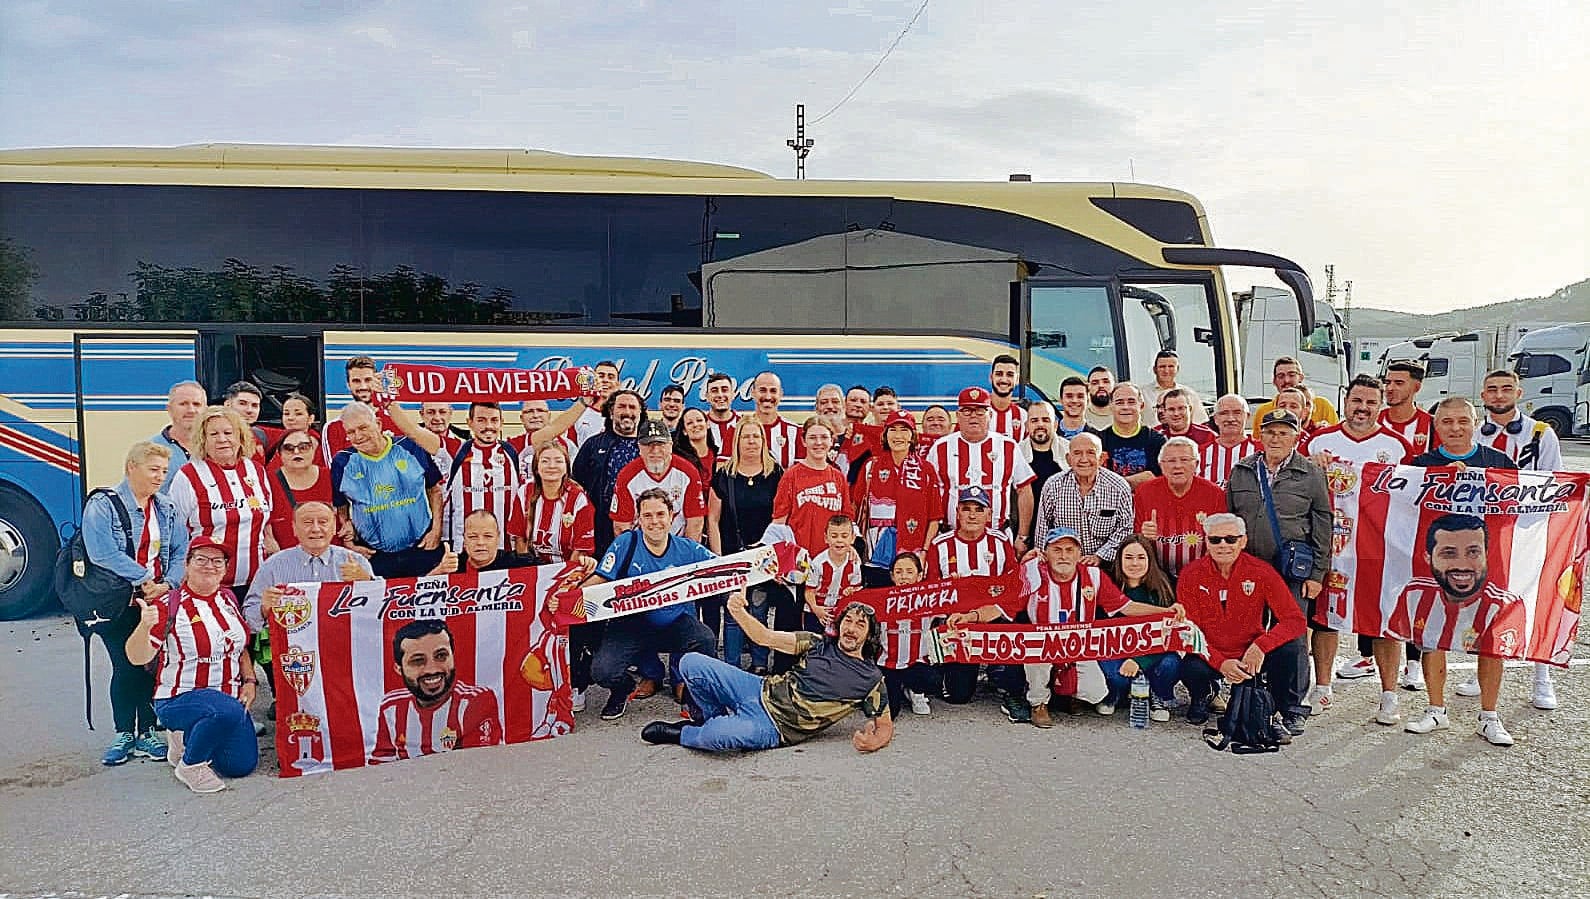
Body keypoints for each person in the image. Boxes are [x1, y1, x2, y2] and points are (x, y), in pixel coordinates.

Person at [638, 594, 892, 753]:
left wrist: (873, 742)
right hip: (757, 688)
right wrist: (738, 612)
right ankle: (707, 719)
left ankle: (684, 734)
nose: (851, 628)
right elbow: (765, 637)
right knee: (690, 662)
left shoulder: (871, 679)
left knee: (720, 737)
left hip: (775, 727)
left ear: (869, 635)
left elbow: (885, 726)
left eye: (860, 624)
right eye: (848, 621)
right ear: (839, 624)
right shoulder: (816, 642)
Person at [1301, 374, 1418, 713]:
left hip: (1376, 550)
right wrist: (1312, 465)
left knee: (1383, 621)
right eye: (1357, 401)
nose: (1362, 408)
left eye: (1370, 402)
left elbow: (1411, 498)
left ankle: (1389, 695)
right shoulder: (1319, 442)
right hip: (1330, 548)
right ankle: (1323, 687)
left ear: (1380, 405)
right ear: (1345, 402)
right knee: (1325, 619)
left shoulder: (1398, 447)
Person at [125, 536, 258, 793]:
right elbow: (136, 657)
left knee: (239, 765)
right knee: (224, 712)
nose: (210, 565)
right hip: (179, 698)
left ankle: (186, 738)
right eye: (201, 559)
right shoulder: (169, 605)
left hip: (227, 699)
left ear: (225, 568)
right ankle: (191, 764)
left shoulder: (228, 599)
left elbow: (239, 648)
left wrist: (250, 681)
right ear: (186, 565)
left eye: (217, 560)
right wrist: (145, 625)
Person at [83, 441, 189, 766]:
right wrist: (144, 577)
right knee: (124, 665)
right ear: (132, 467)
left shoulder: (167, 508)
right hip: (117, 600)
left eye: (163, 471)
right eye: (153, 470)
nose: (160, 477)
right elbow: (101, 552)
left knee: (149, 667)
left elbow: (180, 551)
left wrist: (167, 583)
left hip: (155, 599)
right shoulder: (103, 504)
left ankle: (146, 733)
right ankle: (123, 733)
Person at [1226, 409, 1331, 729]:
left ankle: (1292, 706)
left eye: (1284, 432)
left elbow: (1323, 522)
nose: (1276, 438)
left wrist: (1317, 574)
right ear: (1260, 435)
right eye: (1270, 431)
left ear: (1296, 437)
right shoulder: (1242, 470)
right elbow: (1230, 515)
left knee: (1293, 636)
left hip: (1290, 569)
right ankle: (1254, 697)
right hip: (1249, 566)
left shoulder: (1310, 474)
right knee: (1249, 631)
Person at [1467, 369, 1562, 710]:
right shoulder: (1475, 432)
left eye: (1506, 389)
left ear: (1519, 393)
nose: (1499, 395)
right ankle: (1477, 667)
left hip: (1528, 528)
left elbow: (1555, 482)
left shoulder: (1542, 433)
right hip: (1487, 529)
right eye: (1491, 389)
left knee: (1535, 601)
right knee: (1483, 597)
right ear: (1483, 395)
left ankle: (1542, 676)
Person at [582, 488, 720, 721]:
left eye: (660, 514)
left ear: (671, 516)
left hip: (674, 621)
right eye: (647, 516)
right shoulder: (626, 542)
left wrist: (744, 587)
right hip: (631, 623)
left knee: (705, 638)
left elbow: (725, 570)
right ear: (638, 519)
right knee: (602, 671)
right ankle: (621, 689)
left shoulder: (687, 548)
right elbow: (601, 578)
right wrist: (567, 599)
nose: (654, 521)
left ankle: (696, 700)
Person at [1388, 514, 1524, 746]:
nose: (1462, 564)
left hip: (1489, 599)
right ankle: (1436, 710)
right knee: (1431, 640)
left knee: (1491, 649)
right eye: (1449, 553)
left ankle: (1489, 717)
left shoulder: (1502, 602)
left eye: (1473, 552)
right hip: (1433, 599)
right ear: (1428, 557)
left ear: (1486, 555)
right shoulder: (1415, 594)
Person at [1176, 514, 1308, 736]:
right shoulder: (1190, 574)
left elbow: (1295, 620)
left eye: (1230, 539)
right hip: (1211, 653)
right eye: (1215, 540)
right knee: (1188, 665)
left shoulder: (1261, 571)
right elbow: (1190, 631)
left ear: (1243, 541)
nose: (1223, 545)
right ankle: (1204, 695)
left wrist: (1261, 646)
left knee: (1292, 648)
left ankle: (1287, 708)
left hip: (1251, 653)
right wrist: (1221, 663)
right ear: (1206, 542)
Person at [167, 406, 279, 594]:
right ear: (203, 439)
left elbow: (265, 518)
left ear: (240, 437)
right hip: (209, 585)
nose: (222, 439)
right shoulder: (188, 475)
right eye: (214, 434)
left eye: (228, 432)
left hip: (255, 582)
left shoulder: (256, 470)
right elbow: (174, 531)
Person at [330, 401, 446, 578]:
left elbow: (435, 489)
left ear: (378, 424)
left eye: (363, 428)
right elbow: (340, 505)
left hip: (422, 547)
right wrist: (350, 541)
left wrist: (436, 530)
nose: (358, 436)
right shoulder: (342, 462)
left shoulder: (409, 446)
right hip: (374, 555)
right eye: (351, 432)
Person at [707, 415, 786, 672]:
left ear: (763, 441)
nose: (751, 441)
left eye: (756, 436)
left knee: (759, 610)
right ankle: (731, 666)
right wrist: (719, 559)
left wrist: (775, 556)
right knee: (732, 613)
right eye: (746, 436)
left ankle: (760, 665)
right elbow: (713, 519)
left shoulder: (775, 473)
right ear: (737, 441)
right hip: (732, 556)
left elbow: (781, 518)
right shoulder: (723, 476)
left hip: (763, 557)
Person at [927, 486, 1016, 705]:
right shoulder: (940, 545)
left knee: (1008, 679)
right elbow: (929, 590)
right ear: (957, 512)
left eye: (979, 509)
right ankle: (950, 669)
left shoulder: (1001, 542)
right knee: (959, 696)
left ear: (989, 514)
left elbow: (1014, 585)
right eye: (966, 508)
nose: (972, 514)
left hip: (991, 619)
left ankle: (1002, 673)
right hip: (956, 621)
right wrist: (949, 597)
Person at [369, 618, 504, 762]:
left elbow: (478, 766)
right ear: (399, 668)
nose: (432, 669)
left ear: (452, 657)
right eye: (418, 660)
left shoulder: (475, 701)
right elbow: (380, 768)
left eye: (441, 656)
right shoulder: (392, 706)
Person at [927, 386, 1036, 553]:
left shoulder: (1007, 446)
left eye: (980, 411)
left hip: (998, 538)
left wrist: (1022, 536)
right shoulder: (940, 447)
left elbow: (1024, 490)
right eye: (967, 411)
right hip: (949, 540)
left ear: (990, 415)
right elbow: (927, 494)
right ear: (958, 416)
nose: (973, 416)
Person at [246, 501, 373, 634]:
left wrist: (367, 582)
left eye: (323, 522)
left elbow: (382, 609)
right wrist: (263, 608)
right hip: (293, 649)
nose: (316, 529)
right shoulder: (272, 566)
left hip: (345, 642)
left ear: (334, 527)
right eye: (307, 522)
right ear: (294, 528)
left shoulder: (356, 561)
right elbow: (248, 621)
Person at [853, 411, 944, 583]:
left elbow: (935, 518)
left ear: (913, 435)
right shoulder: (871, 467)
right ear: (885, 434)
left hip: (912, 557)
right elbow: (855, 506)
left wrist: (924, 552)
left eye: (904, 429)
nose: (898, 436)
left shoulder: (925, 469)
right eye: (892, 430)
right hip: (875, 553)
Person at [1108, 535, 1183, 721]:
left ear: (1150, 560)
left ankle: (1159, 694)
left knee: (1170, 663)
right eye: (1129, 557)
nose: (1135, 563)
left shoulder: (1163, 586)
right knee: (1115, 675)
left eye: (1141, 557)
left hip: (1153, 650)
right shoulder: (1109, 584)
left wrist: (1139, 661)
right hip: (1118, 648)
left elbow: (1170, 636)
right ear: (1119, 559)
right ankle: (1117, 693)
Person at [1033, 433, 1134, 565]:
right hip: (1063, 564)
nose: (1084, 459)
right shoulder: (1053, 485)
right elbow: (1043, 527)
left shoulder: (1118, 487)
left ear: (1102, 458)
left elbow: (1125, 528)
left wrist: (1099, 556)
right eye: (1077, 453)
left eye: (1091, 453)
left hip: (1107, 564)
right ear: (1068, 459)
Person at [1133, 437, 1226, 578]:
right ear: (1161, 465)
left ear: (1196, 464)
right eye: (1170, 461)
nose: (1177, 466)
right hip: (1155, 574)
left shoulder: (1214, 493)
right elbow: (1134, 539)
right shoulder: (1144, 492)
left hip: (1202, 573)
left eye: (1184, 460)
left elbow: (1221, 540)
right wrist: (1142, 536)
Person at [570, 388, 648, 552]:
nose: (627, 412)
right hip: (600, 528)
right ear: (611, 413)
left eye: (632, 407)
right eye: (621, 406)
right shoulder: (593, 444)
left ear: (641, 414)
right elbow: (575, 484)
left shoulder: (651, 447)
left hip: (644, 524)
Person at [442, 402, 524, 552]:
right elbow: (415, 433)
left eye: (494, 420)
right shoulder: (456, 450)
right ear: (469, 423)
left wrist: (582, 402)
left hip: (505, 549)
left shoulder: (513, 449)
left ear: (501, 423)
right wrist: (390, 405)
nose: (488, 426)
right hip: (465, 550)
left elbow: (552, 430)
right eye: (481, 420)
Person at [611, 418, 707, 541]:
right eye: (648, 445)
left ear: (670, 446)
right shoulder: (627, 475)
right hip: (640, 548)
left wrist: (686, 556)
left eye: (661, 444)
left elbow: (695, 524)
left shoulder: (688, 472)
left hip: (678, 545)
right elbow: (621, 527)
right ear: (639, 447)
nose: (655, 451)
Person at [771, 417, 852, 558]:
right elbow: (779, 523)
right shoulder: (791, 475)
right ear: (803, 441)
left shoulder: (838, 477)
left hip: (831, 558)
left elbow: (847, 520)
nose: (818, 442)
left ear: (832, 440)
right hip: (799, 558)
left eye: (824, 437)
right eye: (812, 437)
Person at [875, 552, 942, 717]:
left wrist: (956, 584)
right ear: (892, 576)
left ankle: (916, 691)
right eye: (898, 572)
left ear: (920, 576)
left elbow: (954, 605)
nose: (904, 576)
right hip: (888, 663)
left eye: (909, 572)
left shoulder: (930, 600)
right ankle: (897, 689)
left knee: (933, 680)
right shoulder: (881, 600)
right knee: (891, 713)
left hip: (917, 663)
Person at [516, 441, 595, 565]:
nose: (551, 466)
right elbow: (519, 539)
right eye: (545, 461)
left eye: (558, 461)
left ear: (566, 468)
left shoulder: (579, 500)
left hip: (566, 571)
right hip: (532, 569)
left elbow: (581, 550)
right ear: (536, 468)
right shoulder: (524, 492)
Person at [321, 356, 399, 464]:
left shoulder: (396, 421)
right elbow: (337, 472)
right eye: (356, 381)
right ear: (348, 385)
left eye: (368, 380)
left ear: (377, 381)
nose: (363, 386)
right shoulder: (333, 428)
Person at [265, 431, 333, 551]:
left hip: (328, 553)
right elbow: (262, 516)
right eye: (288, 448)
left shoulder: (330, 476)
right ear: (279, 453)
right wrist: (269, 538)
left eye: (303, 447)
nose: (296, 452)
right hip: (285, 554)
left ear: (313, 450)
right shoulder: (267, 480)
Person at [1411, 397, 1515, 470]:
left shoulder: (1500, 461)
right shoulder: (1420, 465)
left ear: (1475, 424)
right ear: (1436, 425)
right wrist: (1440, 476)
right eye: (1447, 422)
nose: (1455, 428)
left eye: (1463, 421)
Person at [1249, 356, 1340, 437]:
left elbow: (1335, 439)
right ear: (1274, 381)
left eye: (1292, 375)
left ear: (1301, 378)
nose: (1286, 380)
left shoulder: (1323, 405)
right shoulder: (1263, 411)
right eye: (1281, 376)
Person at [428, 510, 541, 574]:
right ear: (464, 540)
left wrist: (552, 599)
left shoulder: (518, 563)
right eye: (473, 537)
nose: (480, 542)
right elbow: (417, 592)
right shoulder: (452, 565)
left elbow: (553, 576)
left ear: (498, 538)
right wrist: (439, 571)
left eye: (488, 536)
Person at [804, 514, 863, 631]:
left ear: (852, 538)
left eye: (844, 536)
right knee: (814, 644)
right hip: (816, 612)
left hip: (840, 612)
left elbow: (856, 589)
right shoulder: (818, 563)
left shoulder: (855, 563)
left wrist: (851, 591)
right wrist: (816, 609)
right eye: (834, 536)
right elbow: (809, 591)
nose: (839, 540)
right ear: (826, 538)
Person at [1099, 382, 1165, 485]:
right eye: (1119, 402)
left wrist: (1114, 483)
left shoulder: (1157, 440)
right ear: (1110, 406)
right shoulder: (1099, 440)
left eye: (1131, 402)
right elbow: (1097, 480)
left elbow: (1155, 478)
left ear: (1141, 405)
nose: (1125, 407)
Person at [151, 380, 207, 491]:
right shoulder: (150, 449)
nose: (191, 410)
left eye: (196, 404)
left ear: (205, 409)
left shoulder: (217, 447)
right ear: (169, 409)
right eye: (183, 404)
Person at [1199, 394, 1262, 487]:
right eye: (1224, 413)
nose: (1230, 419)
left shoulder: (1261, 451)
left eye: (1237, 413)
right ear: (1215, 419)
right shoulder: (1200, 453)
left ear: (1247, 416)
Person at [1018, 401, 1069, 511]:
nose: (1040, 424)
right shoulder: (1016, 453)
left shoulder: (1070, 450)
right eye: (1034, 420)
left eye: (1046, 420)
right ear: (1027, 426)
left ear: (1055, 425)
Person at [1378, 360, 1435, 456]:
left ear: (1417, 387)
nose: (1390, 388)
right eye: (1387, 382)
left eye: (1399, 383)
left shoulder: (1432, 425)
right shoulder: (1373, 420)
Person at [749, 371, 804, 469]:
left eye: (773, 391)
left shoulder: (796, 432)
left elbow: (801, 475)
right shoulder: (736, 430)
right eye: (762, 390)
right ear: (752, 393)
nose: (768, 396)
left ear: (781, 394)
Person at [1141, 350, 1209, 426]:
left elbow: (1200, 423)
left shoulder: (1189, 394)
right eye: (1162, 367)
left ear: (1177, 369)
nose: (1166, 371)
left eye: (1171, 366)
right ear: (1154, 369)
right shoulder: (1142, 394)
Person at [223, 380, 279, 461]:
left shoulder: (261, 434)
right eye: (242, 403)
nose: (249, 410)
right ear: (227, 404)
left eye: (255, 405)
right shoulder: (208, 434)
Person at [418, 401, 466, 481]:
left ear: (450, 413)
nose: (437, 418)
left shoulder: (466, 444)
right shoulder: (407, 446)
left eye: (442, 412)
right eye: (430, 412)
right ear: (422, 414)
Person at [672, 407, 718, 486]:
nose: (695, 425)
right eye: (690, 423)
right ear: (684, 431)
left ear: (707, 424)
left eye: (699, 420)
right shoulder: (677, 458)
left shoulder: (718, 455)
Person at [987, 354, 1026, 441]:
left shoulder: (1024, 416)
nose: (1004, 380)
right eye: (999, 374)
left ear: (1017, 380)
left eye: (1010, 375)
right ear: (991, 378)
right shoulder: (977, 413)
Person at [702, 371, 740, 452]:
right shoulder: (700, 426)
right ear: (707, 397)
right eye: (714, 391)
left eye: (724, 390)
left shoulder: (744, 424)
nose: (720, 395)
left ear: (733, 394)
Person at [1084, 366, 1116, 431]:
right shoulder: (1080, 417)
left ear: (1113, 385)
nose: (1101, 385)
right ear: (1088, 387)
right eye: (1095, 383)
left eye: (1106, 382)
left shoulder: (1124, 415)